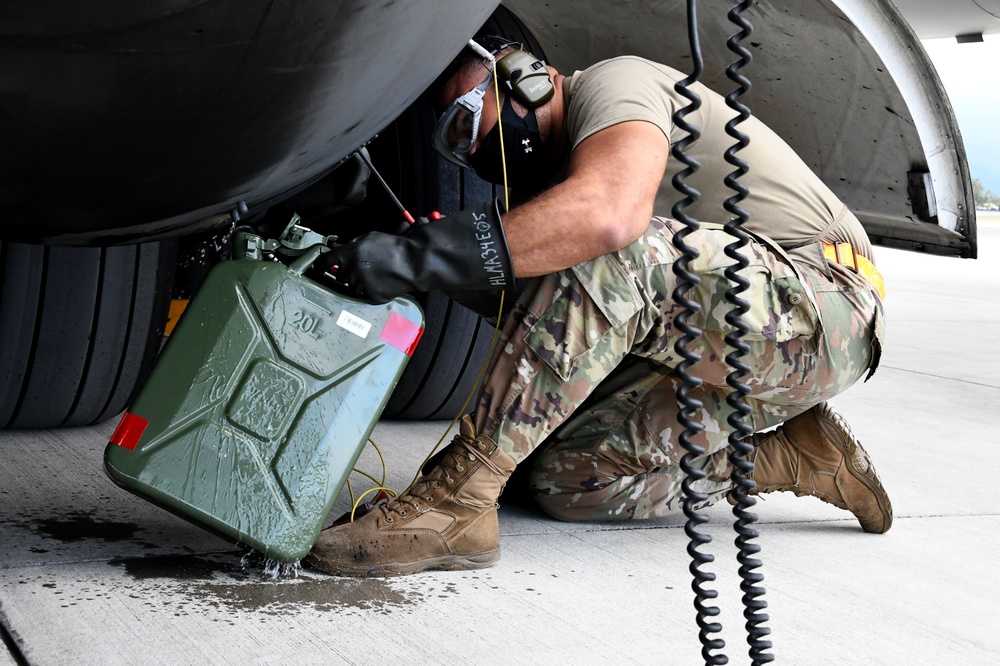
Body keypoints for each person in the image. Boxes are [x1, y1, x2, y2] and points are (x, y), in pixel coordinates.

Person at [306, 37, 892, 577]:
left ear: (525, 78)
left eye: (466, 122)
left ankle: (454, 504)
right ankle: (790, 456)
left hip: (827, 304)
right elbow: (568, 322)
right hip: (736, 336)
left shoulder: (616, 83)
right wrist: (451, 269)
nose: (470, 150)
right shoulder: (565, 183)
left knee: (601, 241)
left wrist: (423, 252)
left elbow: (609, 220)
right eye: (453, 147)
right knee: (563, 482)